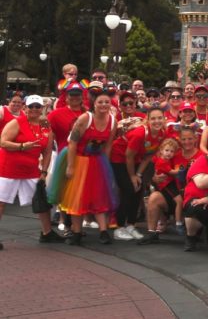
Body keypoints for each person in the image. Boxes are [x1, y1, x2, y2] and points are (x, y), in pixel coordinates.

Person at [48, 90, 120, 245]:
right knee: (77, 197)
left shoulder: (113, 121)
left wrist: (106, 167)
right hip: (79, 159)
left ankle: (103, 231)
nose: (103, 105)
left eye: (107, 102)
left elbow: (108, 146)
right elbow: (72, 142)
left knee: (100, 195)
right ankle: (76, 232)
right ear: (94, 103)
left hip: (97, 160)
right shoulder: (85, 118)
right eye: (100, 102)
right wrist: (71, 166)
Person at [0, 94, 59, 246]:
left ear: (42, 109)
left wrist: (44, 172)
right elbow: (3, 142)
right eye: (31, 106)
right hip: (8, 169)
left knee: (41, 198)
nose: (34, 109)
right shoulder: (16, 123)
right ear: (25, 108)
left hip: (31, 169)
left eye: (37, 106)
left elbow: (46, 151)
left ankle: (47, 232)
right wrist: (21, 146)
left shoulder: (45, 126)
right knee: (1, 202)